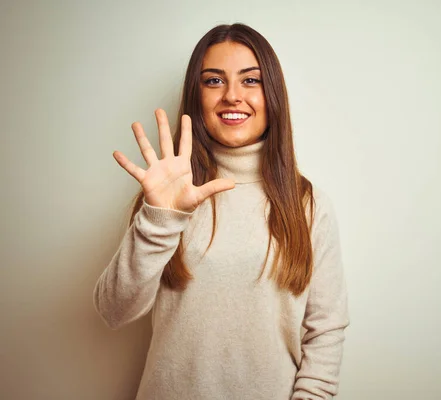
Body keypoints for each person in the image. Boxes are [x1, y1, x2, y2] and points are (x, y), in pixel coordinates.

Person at [93, 23, 349, 400]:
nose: (232, 95)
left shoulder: (308, 204)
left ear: (272, 94)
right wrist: (158, 218)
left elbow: (325, 332)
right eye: (214, 81)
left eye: (251, 81)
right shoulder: (167, 195)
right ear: (196, 96)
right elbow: (113, 311)